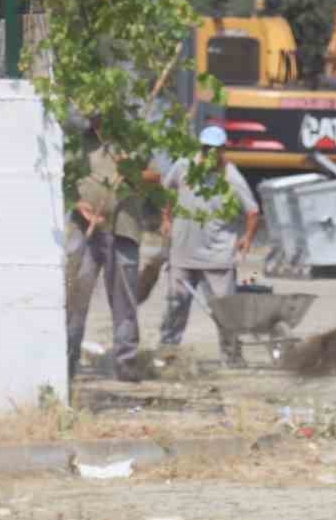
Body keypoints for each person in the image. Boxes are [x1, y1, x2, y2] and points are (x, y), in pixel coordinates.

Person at [156, 125, 260, 363]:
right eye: (206, 149)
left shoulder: (230, 175)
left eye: (216, 149)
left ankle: (232, 357)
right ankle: (166, 354)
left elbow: (252, 211)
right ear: (201, 148)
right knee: (175, 306)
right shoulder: (183, 167)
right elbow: (166, 192)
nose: (210, 154)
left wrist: (246, 238)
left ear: (223, 150)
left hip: (217, 255)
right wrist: (165, 218)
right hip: (182, 252)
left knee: (225, 311)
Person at [65, 118, 146, 383]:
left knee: (124, 301)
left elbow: (154, 177)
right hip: (85, 230)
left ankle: (126, 363)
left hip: (123, 229)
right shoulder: (79, 142)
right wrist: (81, 207)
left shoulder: (131, 140)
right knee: (76, 295)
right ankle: (67, 360)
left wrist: (132, 168)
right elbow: (63, 178)